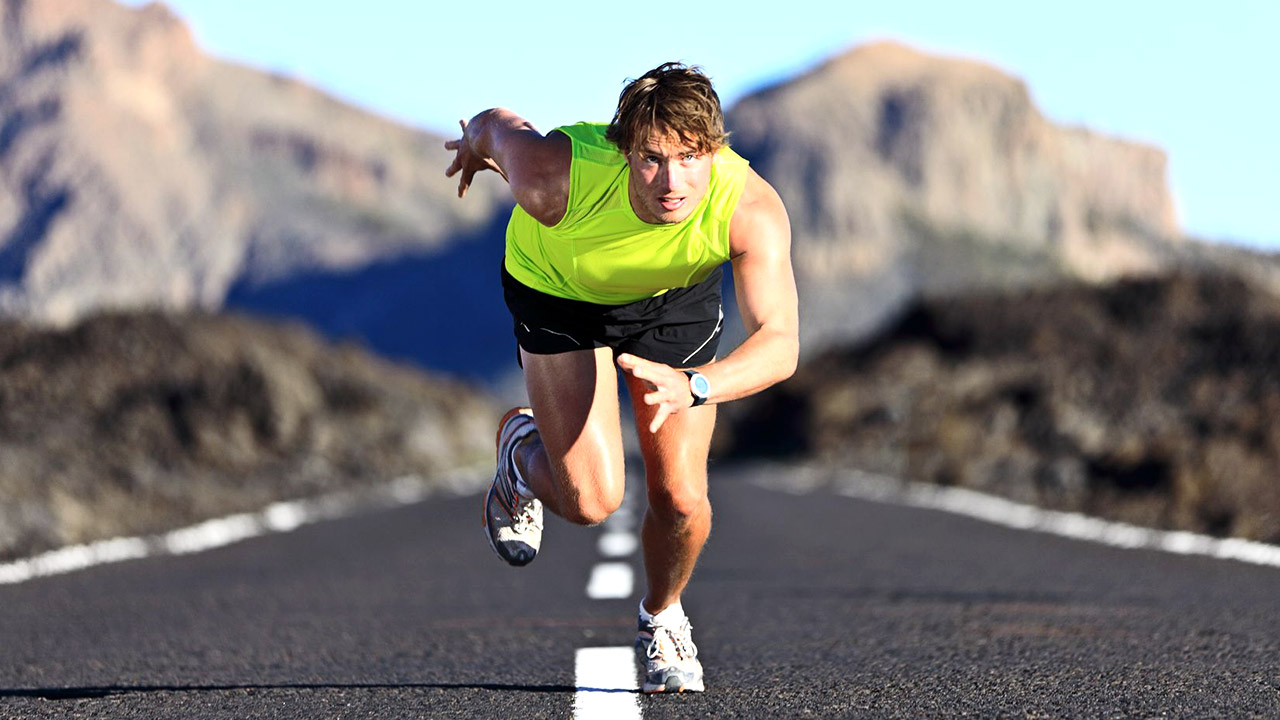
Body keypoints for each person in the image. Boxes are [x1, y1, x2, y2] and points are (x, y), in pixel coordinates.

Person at [445, 62, 798, 694]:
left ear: (714, 151)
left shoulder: (748, 208)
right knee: (590, 501)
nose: (672, 182)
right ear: (624, 150)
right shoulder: (556, 177)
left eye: (690, 158)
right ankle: (522, 454)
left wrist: (696, 386)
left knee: (682, 498)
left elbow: (780, 344)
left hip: (674, 300)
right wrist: (475, 143)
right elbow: (498, 128)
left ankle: (663, 616)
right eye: (652, 159)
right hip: (557, 291)